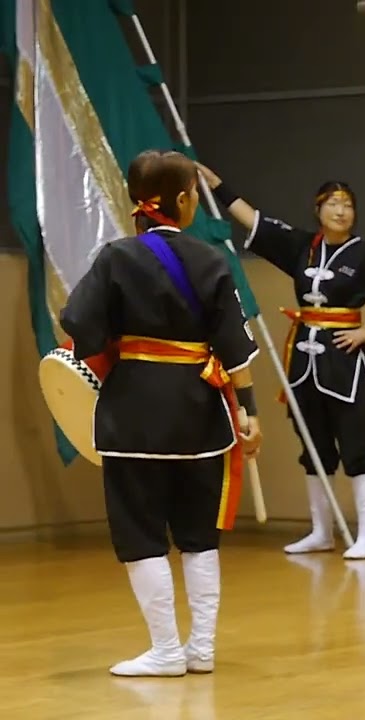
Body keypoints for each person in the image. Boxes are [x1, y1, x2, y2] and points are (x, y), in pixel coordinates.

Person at [58, 149, 263, 677]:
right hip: (200, 417)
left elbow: (78, 323)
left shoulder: (116, 258)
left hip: (133, 417)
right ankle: (202, 649)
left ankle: (167, 650)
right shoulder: (214, 260)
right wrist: (251, 413)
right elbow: (237, 349)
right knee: (199, 535)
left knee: (141, 534)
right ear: (182, 200)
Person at [198, 166, 365, 561]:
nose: (341, 211)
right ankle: (321, 531)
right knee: (313, 445)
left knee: (355, 444)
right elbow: (256, 221)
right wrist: (218, 186)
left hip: (345, 359)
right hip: (302, 358)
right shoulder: (302, 247)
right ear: (318, 210)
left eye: (347, 205)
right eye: (333, 204)